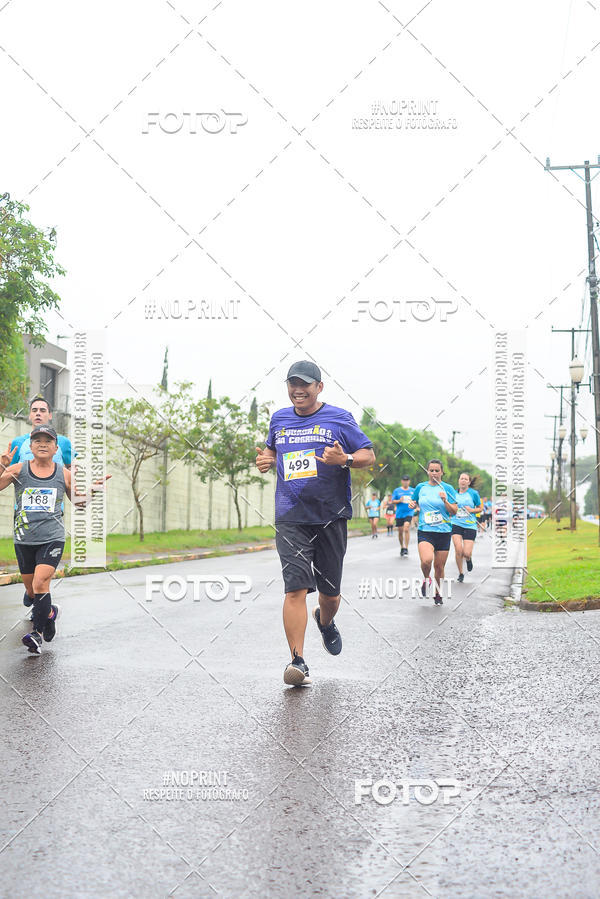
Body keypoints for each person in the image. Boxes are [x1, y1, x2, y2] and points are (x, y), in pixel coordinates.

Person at [255, 360, 375, 687]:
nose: (298, 390)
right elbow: (270, 452)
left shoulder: (339, 418)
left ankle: (325, 619)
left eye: (305, 384)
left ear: (318, 387)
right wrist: (266, 460)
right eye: (292, 383)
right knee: (295, 588)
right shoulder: (278, 419)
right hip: (291, 515)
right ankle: (297, 661)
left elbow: (368, 455)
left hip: (330, 515)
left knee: (330, 594)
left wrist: (346, 460)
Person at [0, 426, 110, 654]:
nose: (42, 444)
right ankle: (49, 613)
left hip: (52, 538)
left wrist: (95, 489)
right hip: (24, 539)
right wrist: (1, 465)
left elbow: (79, 502)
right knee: (32, 592)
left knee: (41, 583)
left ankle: (37, 634)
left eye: (47, 441)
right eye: (37, 440)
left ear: (55, 448)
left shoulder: (63, 474)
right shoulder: (19, 469)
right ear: (30, 447)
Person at [7, 394, 73, 614]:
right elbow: (11, 476)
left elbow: (71, 470)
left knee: (41, 579)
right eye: (34, 410)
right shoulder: (18, 443)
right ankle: (36, 596)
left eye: (42, 410)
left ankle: (40, 620)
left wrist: (80, 489)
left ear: (50, 415)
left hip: (53, 516)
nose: (38, 413)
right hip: (24, 516)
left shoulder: (63, 442)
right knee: (32, 583)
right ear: (29, 415)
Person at [408, 460, 458, 605]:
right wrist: (412, 504)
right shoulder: (420, 487)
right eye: (431, 470)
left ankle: (437, 593)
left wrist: (445, 501)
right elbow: (413, 502)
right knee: (426, 560)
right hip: (425, 531)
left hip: (443, 532)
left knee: (439, 567)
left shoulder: (448, 488)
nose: (434, 473)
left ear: (442, 472)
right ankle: (426, 578)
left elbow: (454, 512)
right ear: (427, 471)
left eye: (437, 470)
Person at [451, 472, 482, 582]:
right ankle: (460, 573)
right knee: (458, 550)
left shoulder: (473, 493)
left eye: (465, 479)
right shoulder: (453, 493)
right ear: (458, 481)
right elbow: (450, 508)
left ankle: (468, 559)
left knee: (466, 553)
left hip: (470, 525)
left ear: (468, 482)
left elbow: (480, 508)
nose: (463, 480)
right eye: (461, 478)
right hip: (456, 524)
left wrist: (471, 510)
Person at [391, 475, 413, 557]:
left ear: (409, 481)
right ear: (402, 481)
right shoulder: (397, 491)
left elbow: (415, 500)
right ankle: (402, 547)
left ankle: (406, 548)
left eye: (407, 480)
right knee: (400, 531)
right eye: (404, 480)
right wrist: (399, 500)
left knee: (406, 528)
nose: (405, 482)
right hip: (399, 513)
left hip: (409, 512)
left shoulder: (412, 491)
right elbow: (393, 501)